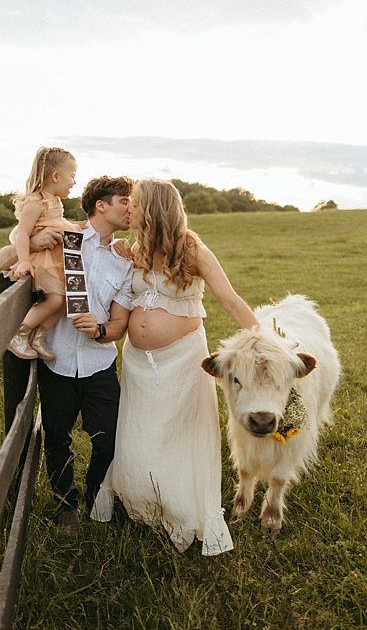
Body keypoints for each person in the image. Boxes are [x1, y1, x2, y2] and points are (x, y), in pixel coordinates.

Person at [92, 178, 260, 556]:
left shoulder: (192, 247)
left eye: (133, 203)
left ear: (151, 208)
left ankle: (181, 507)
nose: (128, 209)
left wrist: (264, 343)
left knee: (179, 434)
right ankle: (144, 501)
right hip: (136, 362)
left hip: (183, 360)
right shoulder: (136, 247)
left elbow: (229, 299)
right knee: (140, 432)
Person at [34, 175, 136, 535]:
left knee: (107, 438)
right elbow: (17, 252)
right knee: (57, 437)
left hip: (99, 363)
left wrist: (100, 329)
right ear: (101, 205)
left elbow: (121, 322)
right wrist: (33, 238)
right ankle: (66, 507)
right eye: (125, 200)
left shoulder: (127, 261)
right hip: (57, 360)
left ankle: (96, 498)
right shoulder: (67, 238)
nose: (131, 207)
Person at [4, 147, 85, 361]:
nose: (74, 182)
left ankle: (38, 335)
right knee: (56, 301)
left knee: (68, 298)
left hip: (57, 260)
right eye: (73, 176)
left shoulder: (54, 201)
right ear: (56, 176)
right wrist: (23, 261)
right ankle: (19, 332)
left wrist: (80, 226)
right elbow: (22, 233)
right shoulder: (35, 202)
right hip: (44, 261)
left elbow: (59, 224)